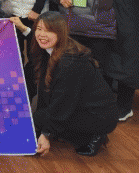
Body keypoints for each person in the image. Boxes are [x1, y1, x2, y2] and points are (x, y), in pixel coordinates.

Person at [32, 12, 118, 157]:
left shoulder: (70, 62)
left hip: (99, 115)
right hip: (79, 105)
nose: (42, 34)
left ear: (61, 33)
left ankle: (94, 136)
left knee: (41, 119)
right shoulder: (49, 50)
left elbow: (64, 102)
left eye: (49, 30)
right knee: (38, 118)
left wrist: (46, 134)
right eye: (39, 29)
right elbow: (44, 90)